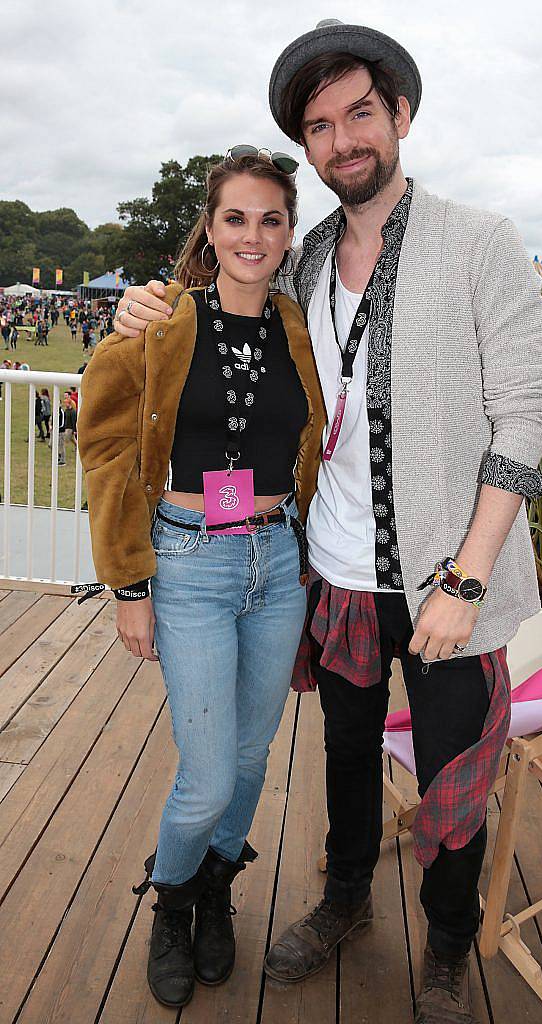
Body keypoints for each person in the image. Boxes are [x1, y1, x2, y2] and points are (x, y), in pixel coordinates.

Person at [115, 22, 542, 1024]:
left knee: (452, 772)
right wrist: (146, 307)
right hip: (332, 570)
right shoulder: (304, 258)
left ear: (399, 114)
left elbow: (523, 415)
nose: (342, 137)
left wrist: (469, 577)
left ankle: (445, 944)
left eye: (360, 111)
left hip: (447, 579)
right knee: (344, 756)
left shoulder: (478, 239)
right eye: (319, 124)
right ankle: (345, 898)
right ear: (307, 149)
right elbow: (216, 320)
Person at [78, 152, 325, 1009]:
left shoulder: (303, 326)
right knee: (209, 774)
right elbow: (105, 447)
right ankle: (171, 900)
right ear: (210, 228)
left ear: (289, 232)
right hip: (188, 562)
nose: (253, 236)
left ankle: (215, 887)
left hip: (277, 561)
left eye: (271, 220)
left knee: (251, 760)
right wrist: (129, 587)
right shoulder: (158, 321)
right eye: (236, 218)